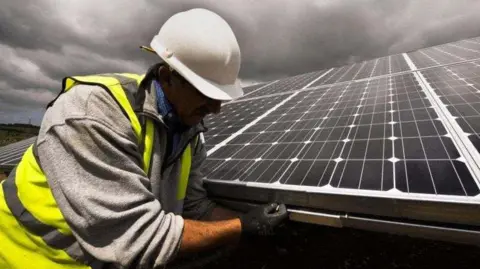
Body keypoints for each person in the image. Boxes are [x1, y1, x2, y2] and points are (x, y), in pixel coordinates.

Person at [0, 8, 288, 269]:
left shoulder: (190, 133)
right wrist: (241, 227)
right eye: (206, 94)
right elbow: (135, 238)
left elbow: (195, 208)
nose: (215, 109)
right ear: (167, 77)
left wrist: (253, 218)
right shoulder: (91, 114)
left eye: (220, 98)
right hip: (28, 257)